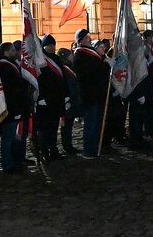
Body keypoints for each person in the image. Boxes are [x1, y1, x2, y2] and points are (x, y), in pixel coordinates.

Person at [72, 29, 107, 159]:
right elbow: (90, 73)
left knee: (96, 122)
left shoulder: (90, 54)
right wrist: (104, 66)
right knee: (90, 123)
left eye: (89, 37)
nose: (90, 39)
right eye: (87, 38)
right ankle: (88, 149)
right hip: (89, 95)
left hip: (96, 94)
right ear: (80, 40)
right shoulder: (80, 55)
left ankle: (95, 147)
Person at [0, 42, 29, 173]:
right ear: (6, 51)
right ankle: (7, 164)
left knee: (14, 136)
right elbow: (10, 88)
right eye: (12, 49)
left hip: (15, 106)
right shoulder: (4, 66)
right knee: (8, 137)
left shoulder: (10, 64)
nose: (15, 51)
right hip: (10, 107)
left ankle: (15, 161)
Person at [38, 34, 67, 160]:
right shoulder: (40, 60)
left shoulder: (57, 58)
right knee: (45, 128)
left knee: (54, 127)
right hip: (46, 99)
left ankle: (53, 150)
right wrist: (40, 97)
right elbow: (38, 80)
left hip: (57, 98)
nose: (51, 47)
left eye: (53, 44)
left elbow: (63, 78)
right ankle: (44, 151)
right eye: (49, 45)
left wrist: (66, 95)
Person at [58, 47, 82, 155]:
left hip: (72, 100)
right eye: (70, 55)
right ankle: (67, 146)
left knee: (69, 124)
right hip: (68, 101)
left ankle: (68, 145)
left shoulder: (69, 67)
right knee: (66, 125)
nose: (72, 56)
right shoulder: (64, 69)